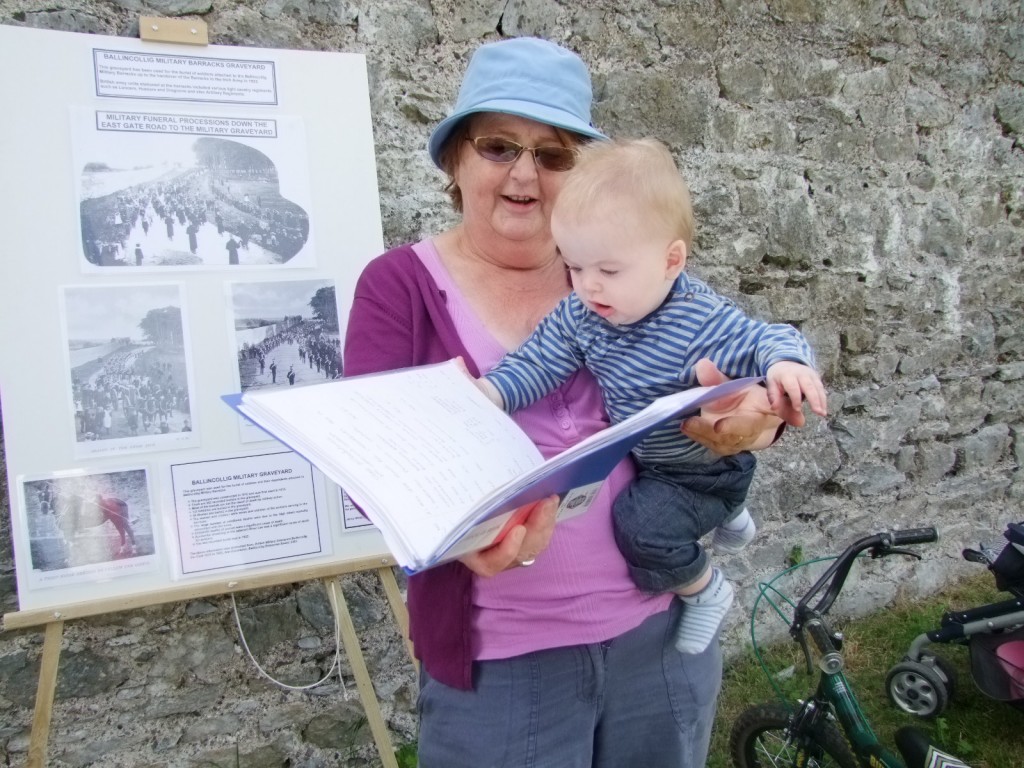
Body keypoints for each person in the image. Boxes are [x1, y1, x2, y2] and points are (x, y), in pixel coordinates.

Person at [343, 37, 806, 768]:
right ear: (456, 162)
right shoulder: (398, 285)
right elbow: (370, 463)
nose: (525, 173)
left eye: (554, 155)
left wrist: (748, 424)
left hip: (659, 635)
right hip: (503, 663)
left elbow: (728, 372)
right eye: (498, 146)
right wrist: (466, 534)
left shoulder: (618, 267)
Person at [473, 137, 827, 655]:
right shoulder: (583, 314)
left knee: (640, 528)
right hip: (656, 460)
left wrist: (787, 364)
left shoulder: (698, 318)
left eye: (608, 271)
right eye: (573, 266)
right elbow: (539, 361)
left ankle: (705, 588)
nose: (588, 287)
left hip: (700, 470)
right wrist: (489, 393)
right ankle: (731, 516)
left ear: (671, 261)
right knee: (647, 495)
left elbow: (764, 336)